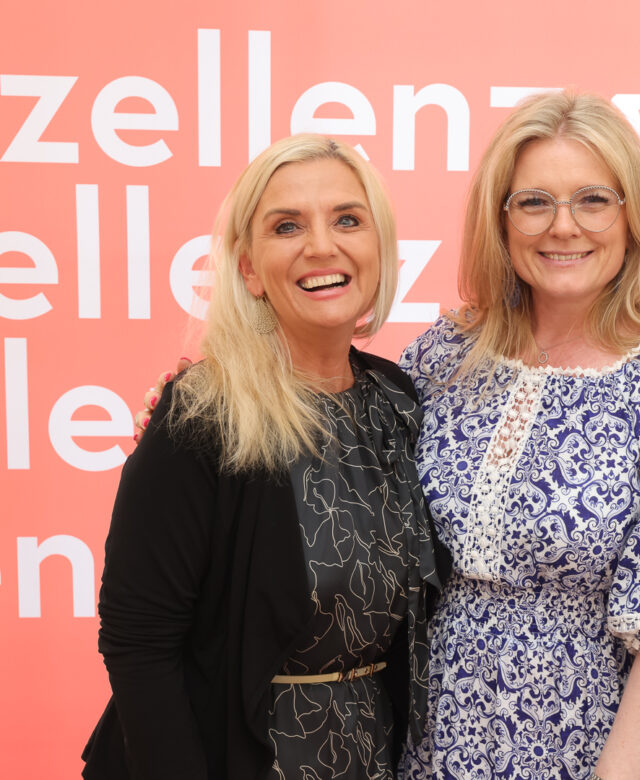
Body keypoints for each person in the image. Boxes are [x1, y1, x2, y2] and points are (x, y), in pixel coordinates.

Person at [396, 90, 640, 780]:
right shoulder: (445, 353)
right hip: (423, 738)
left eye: (593, 200)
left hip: (580, 745)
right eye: (534, 202)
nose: (563, 227)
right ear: (500, 218)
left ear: (632, 215)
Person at [82, 135, 443, 780]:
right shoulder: (202, 415)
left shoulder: (395, 399)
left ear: (380, 250)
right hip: (237, 754)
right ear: (249, 269)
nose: (322, 246)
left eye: (348, 219)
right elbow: (139, 641)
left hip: (371, 753)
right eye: (287, 226)